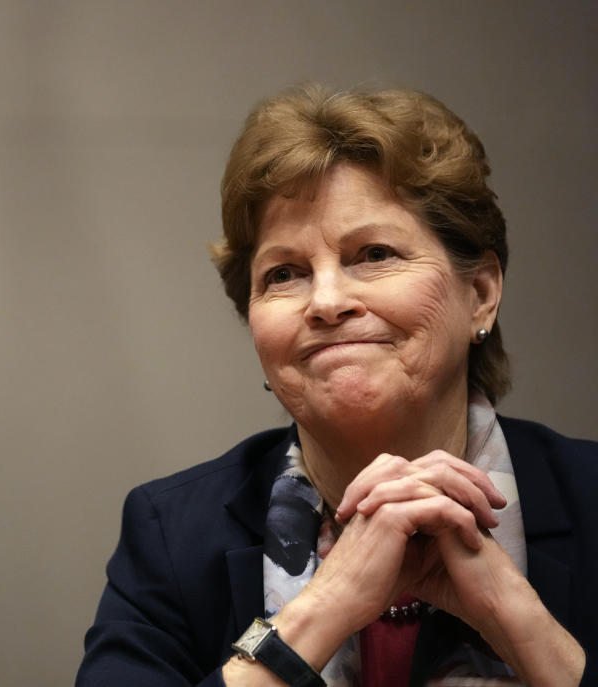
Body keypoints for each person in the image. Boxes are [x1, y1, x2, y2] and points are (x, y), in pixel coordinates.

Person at [76, 84, 595, 687]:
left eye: (373, 254)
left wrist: (519, 620)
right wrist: (327, 606)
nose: (325, 302)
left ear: (480, 293)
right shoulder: (171, 534)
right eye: (285, 274)